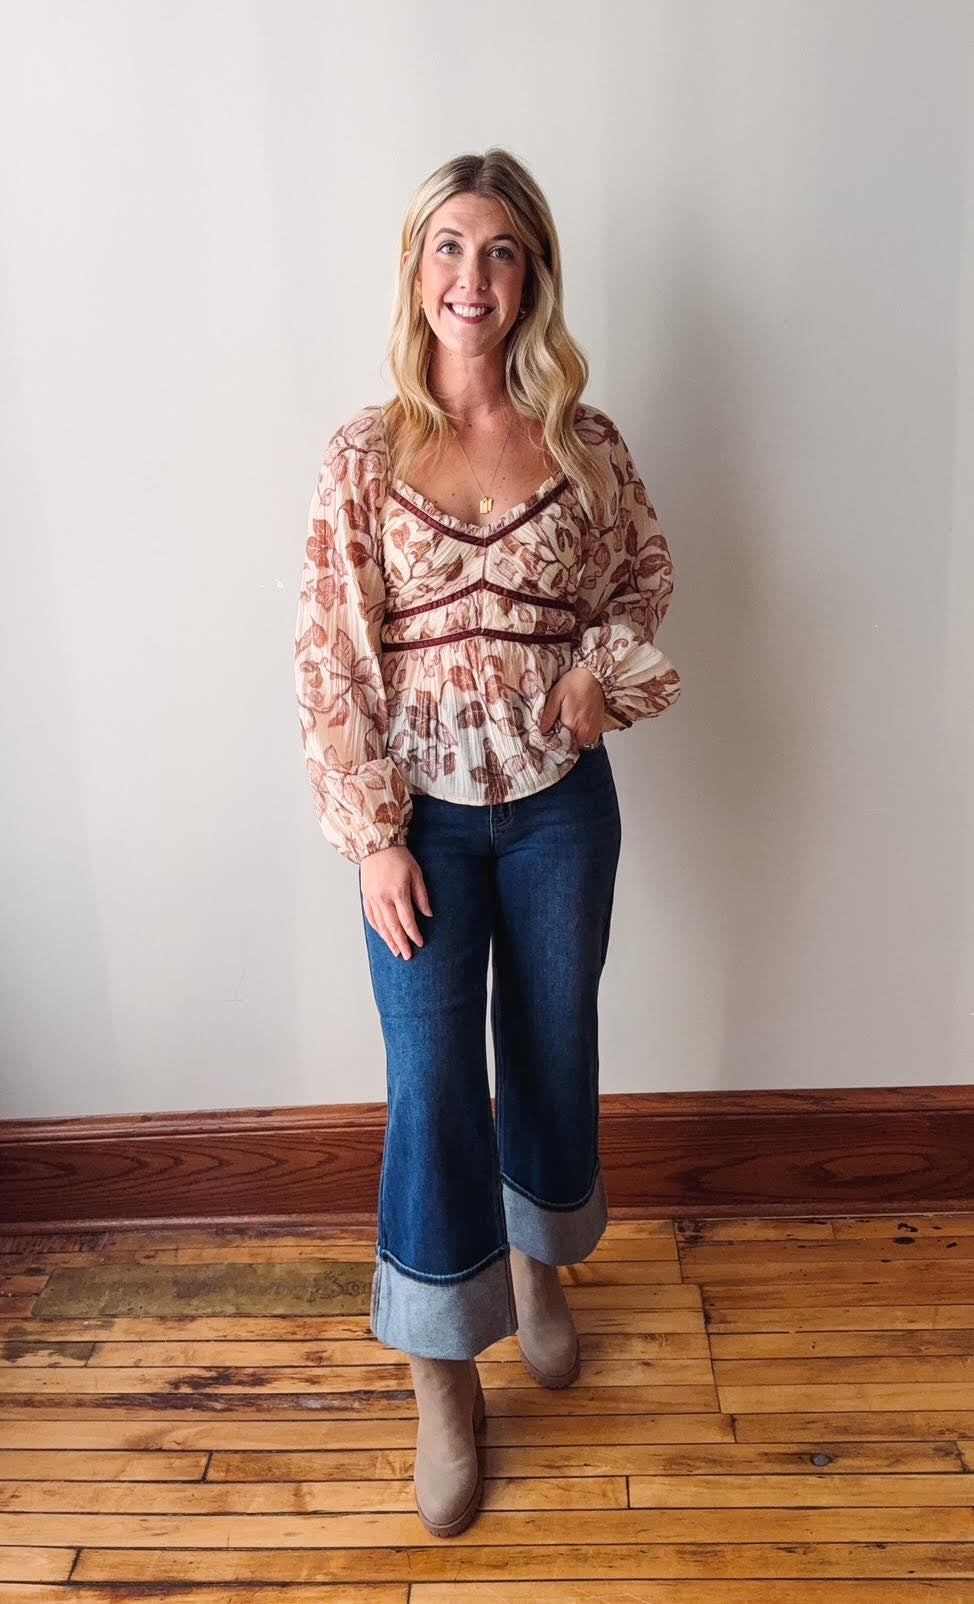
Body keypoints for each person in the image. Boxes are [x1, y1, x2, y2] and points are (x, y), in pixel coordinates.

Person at [294, 148, 680, 1539]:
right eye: (450, 247)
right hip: (424, 831)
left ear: (533, 278)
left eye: (502, 250)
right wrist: (371, 838)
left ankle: (537, 1263)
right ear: (417, 272)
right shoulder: (362, 455)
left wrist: (598, 677)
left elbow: (643, 577)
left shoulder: (585, 442)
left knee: (554, 1043)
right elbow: (331, 662)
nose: (474, 275)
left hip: (562, 809)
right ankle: (441, 1376)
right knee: (433, 1081)